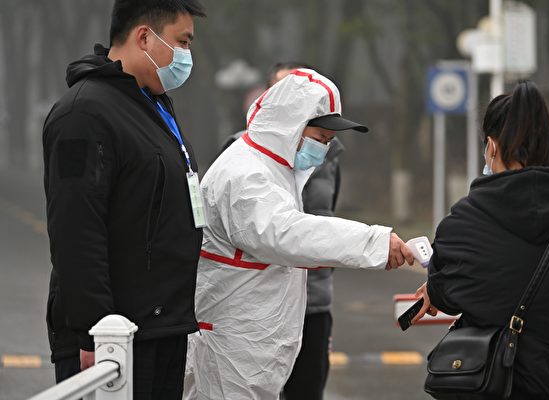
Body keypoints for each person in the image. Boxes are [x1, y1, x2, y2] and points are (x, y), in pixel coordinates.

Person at [183, 68, 414, 400]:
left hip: (247, 351)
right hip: (231, 352)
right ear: (289, 126)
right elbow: (288, 233)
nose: (323, 150)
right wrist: (375, 243)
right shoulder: (245, 176)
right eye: (320, 138)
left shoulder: (272, 169)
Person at [43, 1, 206, 398]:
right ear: (144, 36)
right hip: (115, 337)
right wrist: (94, 332)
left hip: (161, 325)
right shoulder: (83, 115)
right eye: (182, 42)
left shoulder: (151, 105)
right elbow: (76, 231)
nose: (187, 56)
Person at [413, 81, 549, 399]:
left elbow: (446, 294)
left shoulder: (464, 223)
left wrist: (432, 288)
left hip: (497, 386)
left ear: (492, 147)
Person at [220, 62, 341, 400]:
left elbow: (325, 218)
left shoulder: (327, 157)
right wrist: (375, 244)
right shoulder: (244, 158)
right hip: (259, 305)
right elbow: (284, 233)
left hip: (313, 303)